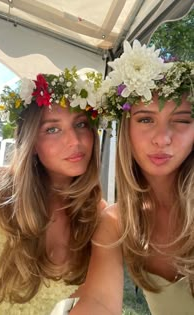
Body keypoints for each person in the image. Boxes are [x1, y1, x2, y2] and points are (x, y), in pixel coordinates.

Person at [0, 67, 109, 314]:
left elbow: (97, 302)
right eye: (52, 129)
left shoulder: (98, 217)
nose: (75, 141)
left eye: (81, 124)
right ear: (32, 143)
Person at [87, 40, 193, 315]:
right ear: (126, 130)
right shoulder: (115, 222)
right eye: (146, 119)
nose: (162, 139)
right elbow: (98, 302)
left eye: (182, 120)